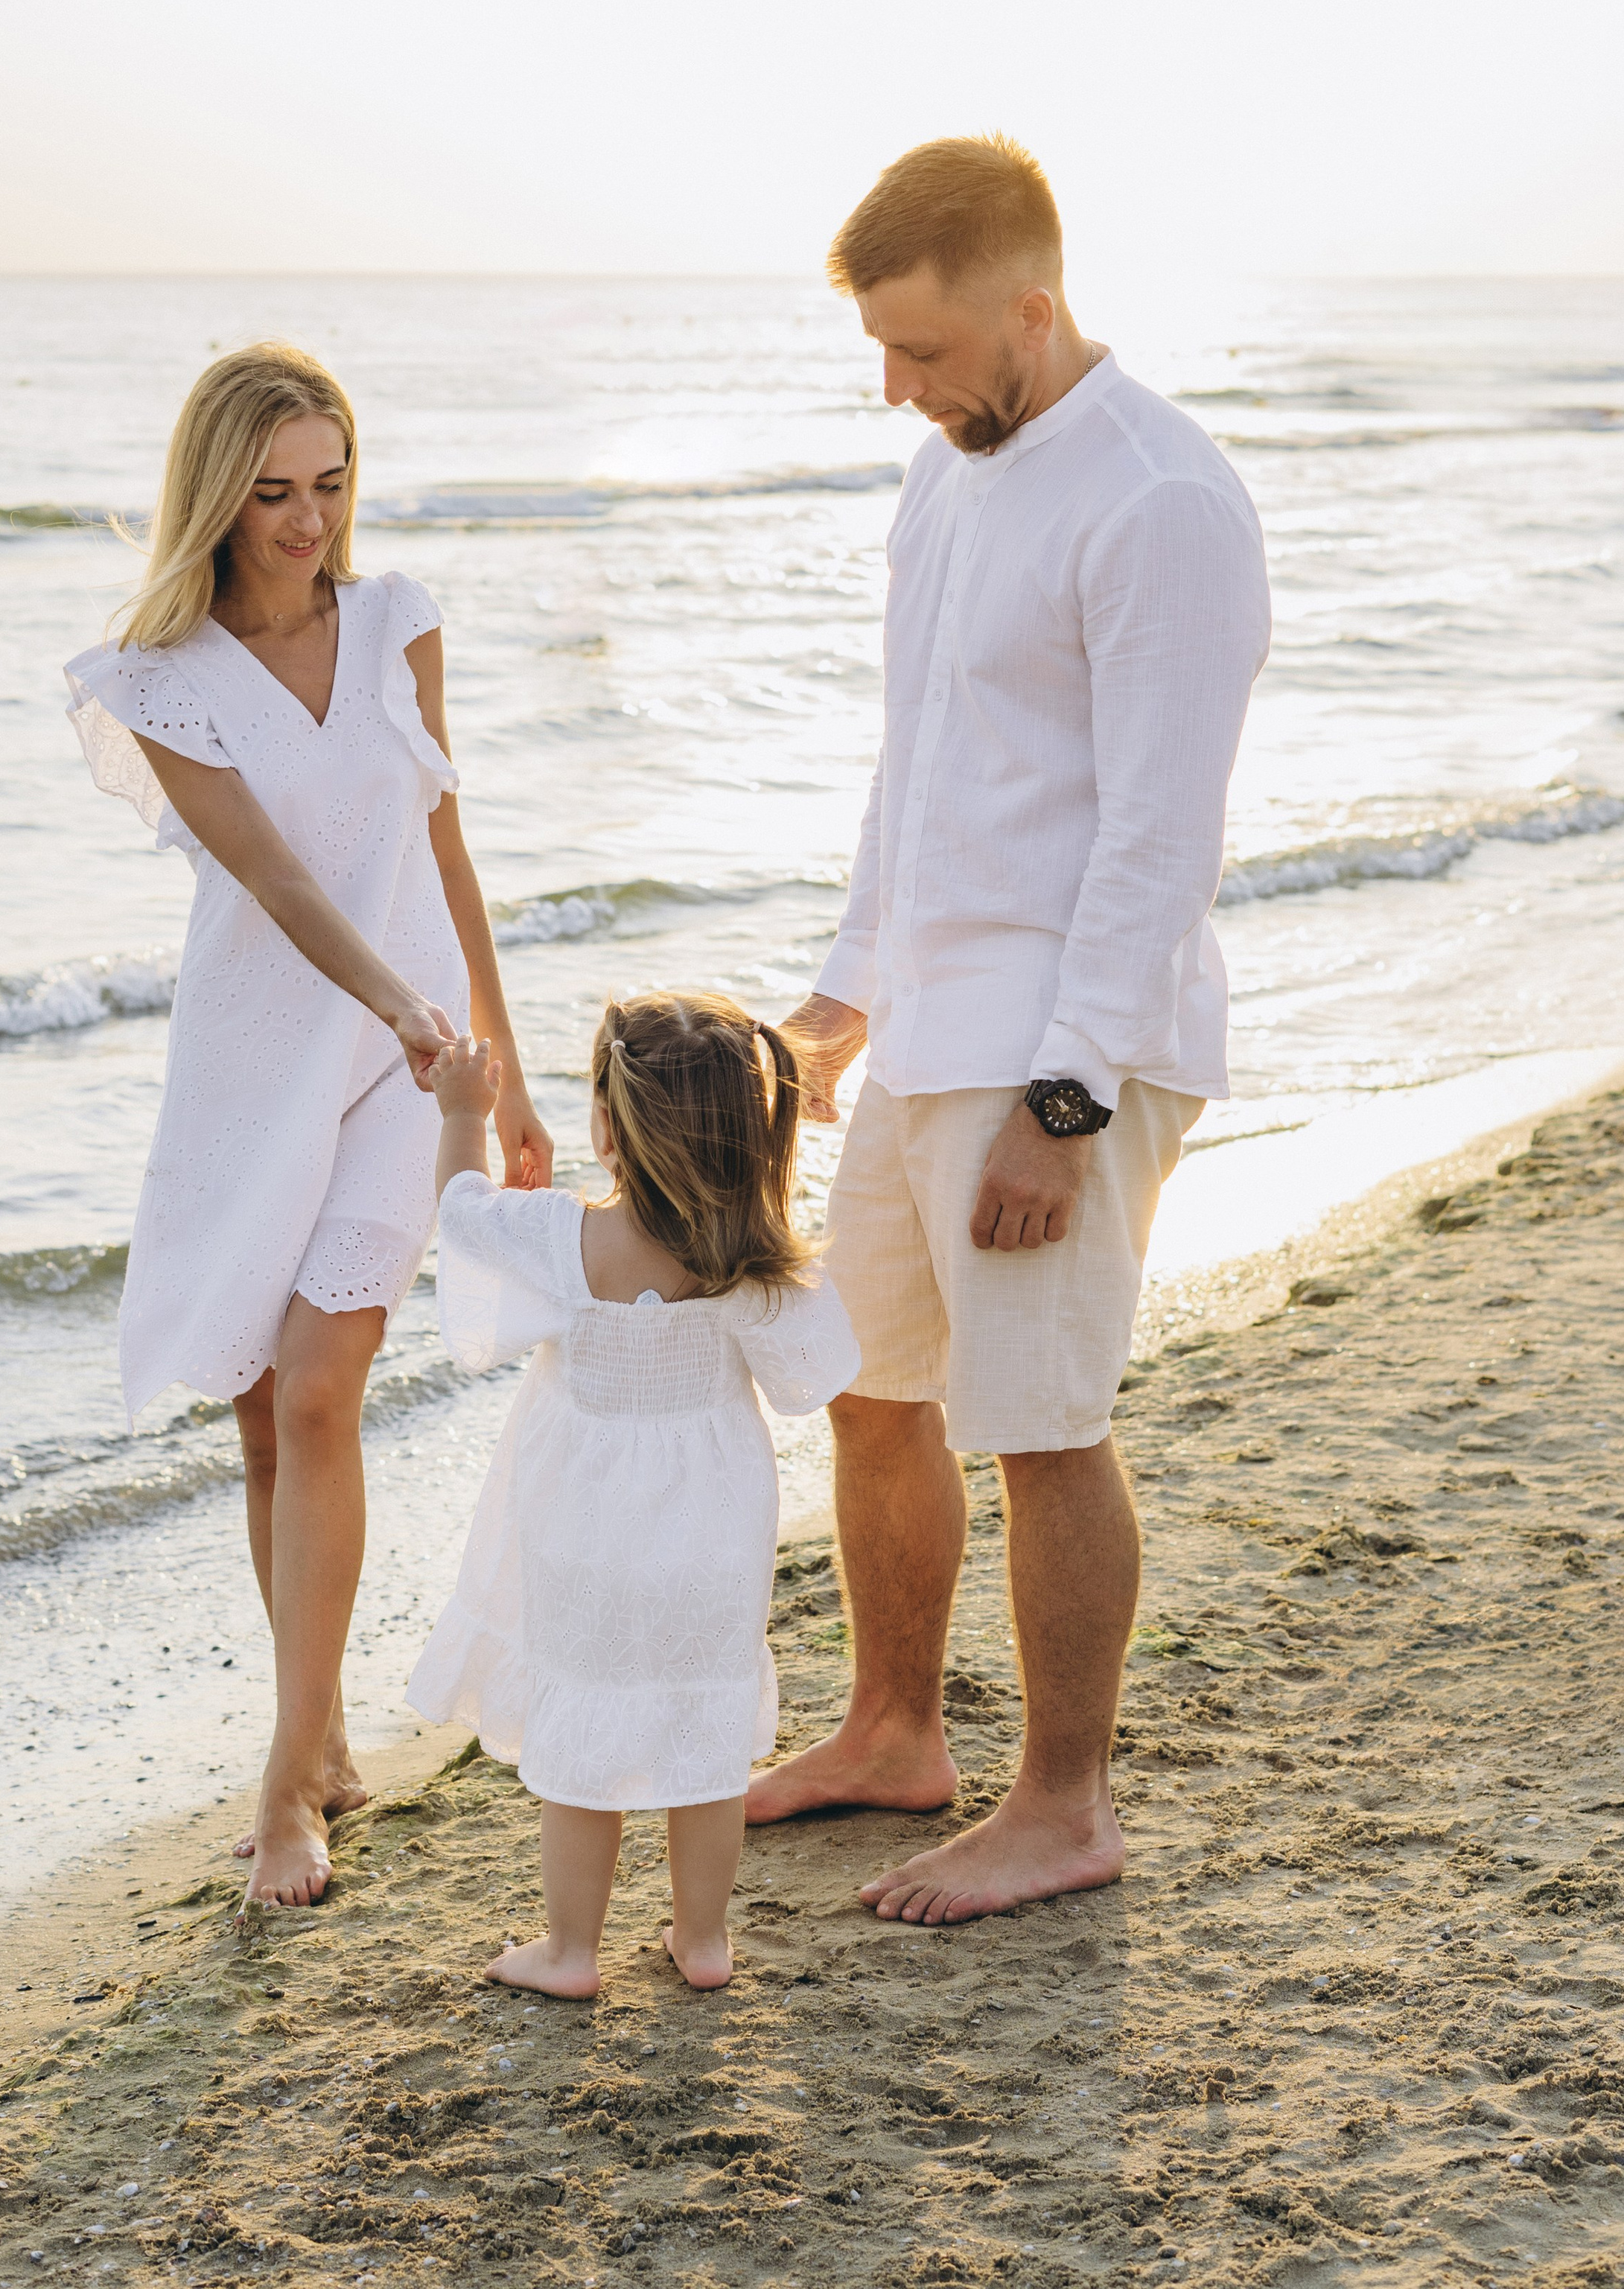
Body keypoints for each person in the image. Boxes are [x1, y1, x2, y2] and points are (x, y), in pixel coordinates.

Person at [745, 136, 1271, 1925]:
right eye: (879, 354)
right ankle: (893, 1733)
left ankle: (1064, 1805)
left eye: (920, 349)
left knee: (1039, 1419)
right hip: (931, 1031)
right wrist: (842, 994)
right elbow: (921, 766)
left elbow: (1154, 831)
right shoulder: (946, 481)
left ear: (1028, 307)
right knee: (873, 1395)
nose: (898, 389)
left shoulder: (1158, 499)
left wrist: (1064, 1096)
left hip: (1063, 1043)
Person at [63, 342, 550, 1908]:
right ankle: (317, 1722)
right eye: (271, 490)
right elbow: (275, 887)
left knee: (327, 1396)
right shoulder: (157, 683)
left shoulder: (398, 623)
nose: (305, 520)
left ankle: (287, 1791)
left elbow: (445, 850)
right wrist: (400, 1009)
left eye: (328, 483)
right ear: (214, 493)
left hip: (404, 1076)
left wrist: (495, 1052)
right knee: (266, 1418)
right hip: (257, 1070)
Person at [406, 994, 859, 1996]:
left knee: (586, 1731)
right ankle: (702, 1942)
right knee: (706, 1727)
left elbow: (464, 1217)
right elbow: (811, 1378)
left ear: (609, 1130)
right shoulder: (751, 1259)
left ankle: (571, 1952)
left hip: (583, 1530)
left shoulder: (564, 1238)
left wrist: (459, 1116)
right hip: (712, 1533)